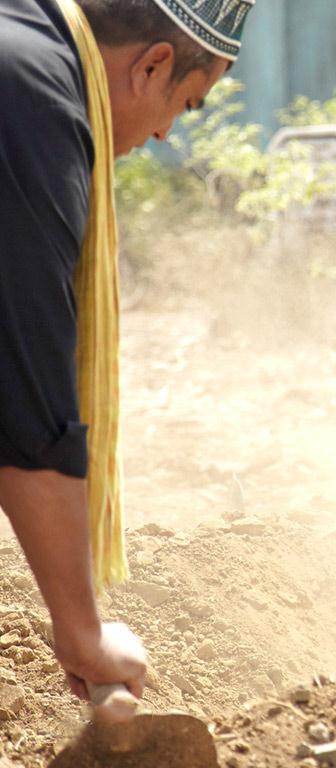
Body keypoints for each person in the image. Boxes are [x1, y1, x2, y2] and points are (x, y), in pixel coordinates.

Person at [0, 0, 253, 702]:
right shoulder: (31, 98)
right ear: (152, 65)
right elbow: (24, 385)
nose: (166, 131)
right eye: (187, 104)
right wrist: (83, 631)